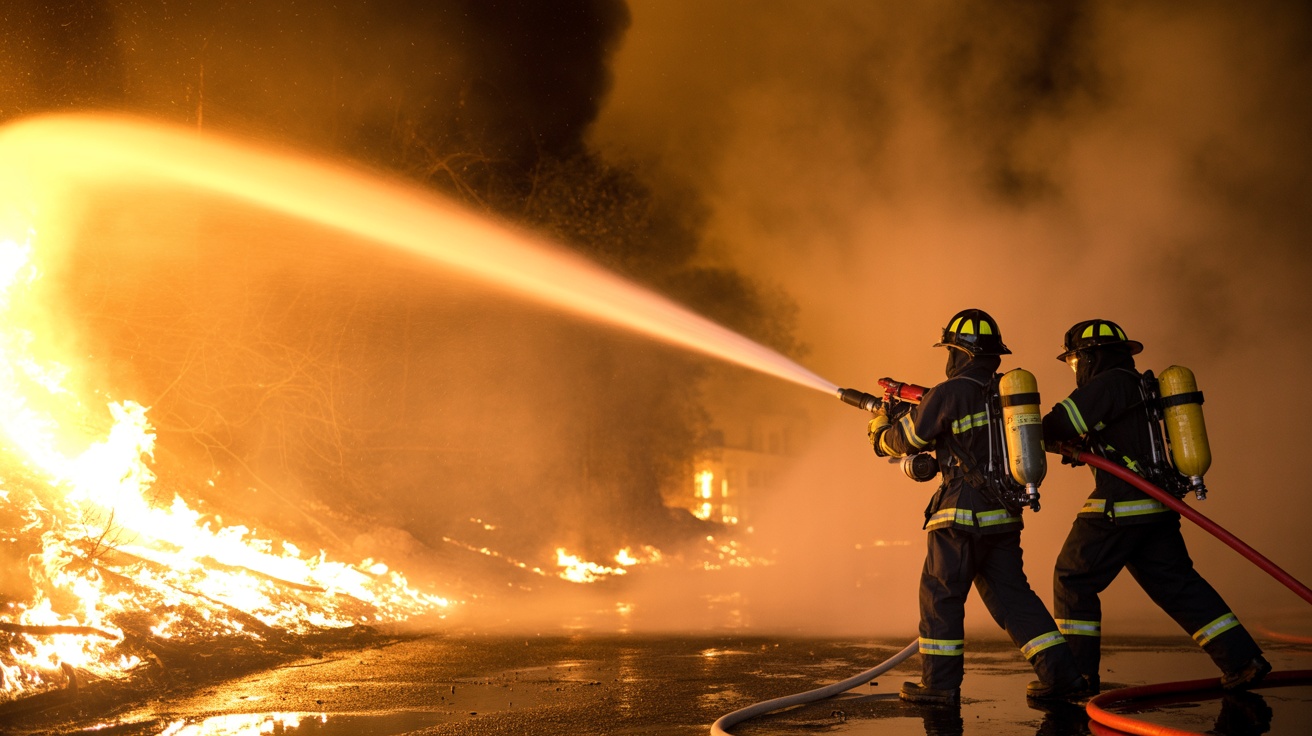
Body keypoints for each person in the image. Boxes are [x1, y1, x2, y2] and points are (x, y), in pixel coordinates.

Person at [869, 308, 1087, 705]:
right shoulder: (1005, 393)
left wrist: (879, 427)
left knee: (941, 595)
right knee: (1014, 599)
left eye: (950, 351)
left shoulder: (949, 392)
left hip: (959, 516)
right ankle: (1063, 675)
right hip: (1003, 516)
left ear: (960, 353)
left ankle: (940, 685)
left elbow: (904, 440)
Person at [1041, 319, 1270, 693]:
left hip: (1123, 503)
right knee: (1177, 585)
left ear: (1089, 356)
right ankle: (1243, 660)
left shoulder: (1108, 383)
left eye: (1074, 361)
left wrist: (1036, 430)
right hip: (1156, 504)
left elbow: (1057, 424)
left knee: (1073, 577)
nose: (1075, 369)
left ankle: (1076, 677)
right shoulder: (1139, 384)